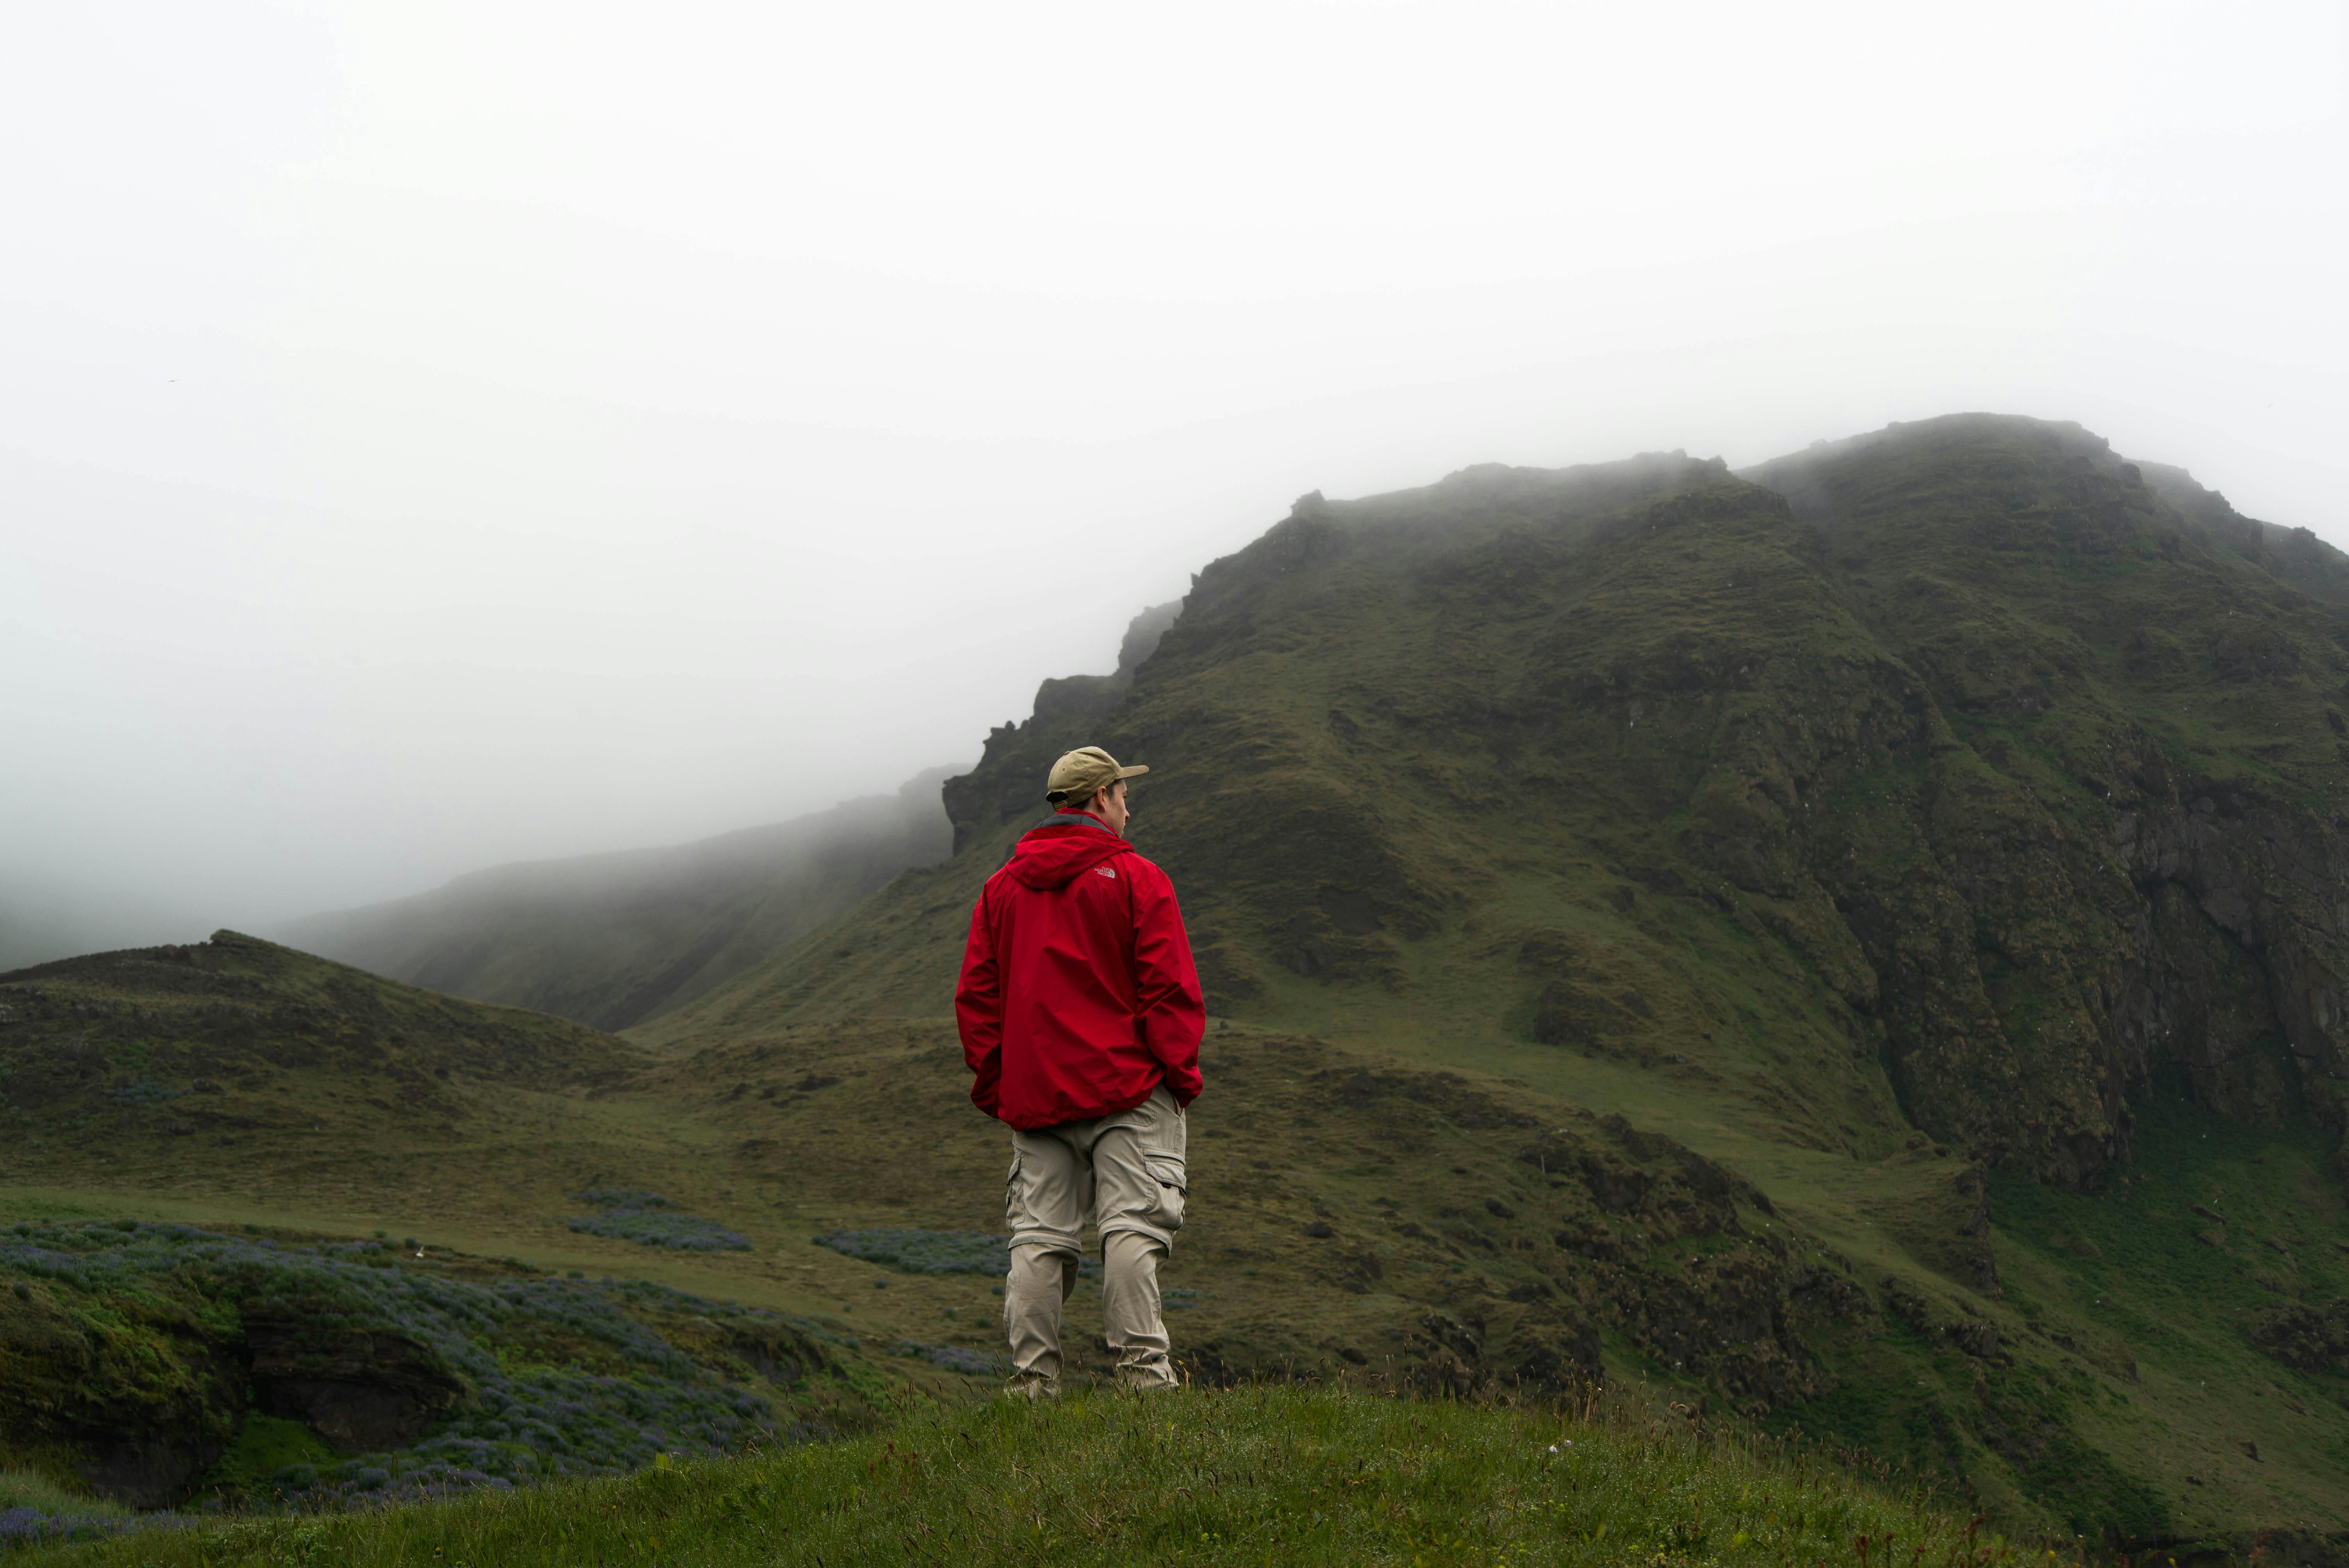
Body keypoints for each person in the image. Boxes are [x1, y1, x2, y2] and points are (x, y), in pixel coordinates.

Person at [954, 744, 1206, 1395]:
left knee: (1038, 1239)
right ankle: (1144, 1379)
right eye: (1123, 794)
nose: (1130, 805)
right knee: (1132, 1227)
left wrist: (1002, 1086)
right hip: (1128, 1090)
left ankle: (1033, 1386)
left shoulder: (1000, 889)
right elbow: (1169, 988)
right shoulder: (1140, 878)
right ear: (1101, 799)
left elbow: (978, 1000)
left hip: (1036, 1099)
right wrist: (1179, 1079)